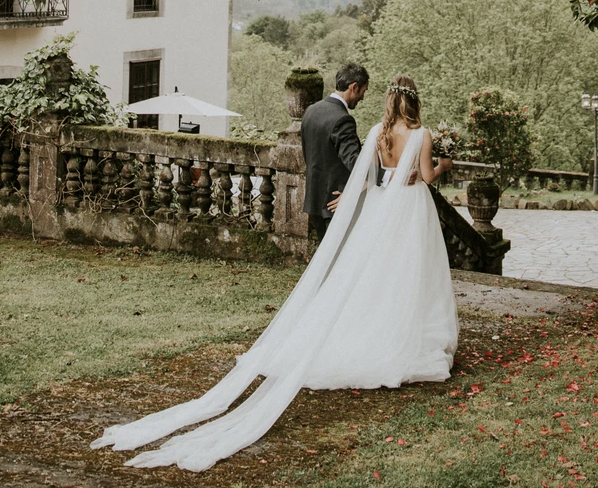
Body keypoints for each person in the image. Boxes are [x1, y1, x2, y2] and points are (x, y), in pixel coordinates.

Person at [92, 76, 456, 472]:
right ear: (414, 102)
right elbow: (422, 176)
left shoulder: (377, 132)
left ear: (388, 100)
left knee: (375, 275)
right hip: (408, 207)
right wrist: (445, 164)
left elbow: (369, 177)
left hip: (382, 207)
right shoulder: (422, 134)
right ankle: (404, 334)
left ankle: (373, 331)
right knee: (406, 274)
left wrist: (351, 195)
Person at [301, 62, 368, 239]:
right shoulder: (343, 119)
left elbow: (308, 155)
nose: (362, 97)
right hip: (336, 203)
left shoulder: (310, 111)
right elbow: (355, 163)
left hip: (314, 199)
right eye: (363, 91)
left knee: (327, 261)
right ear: (354, 87)